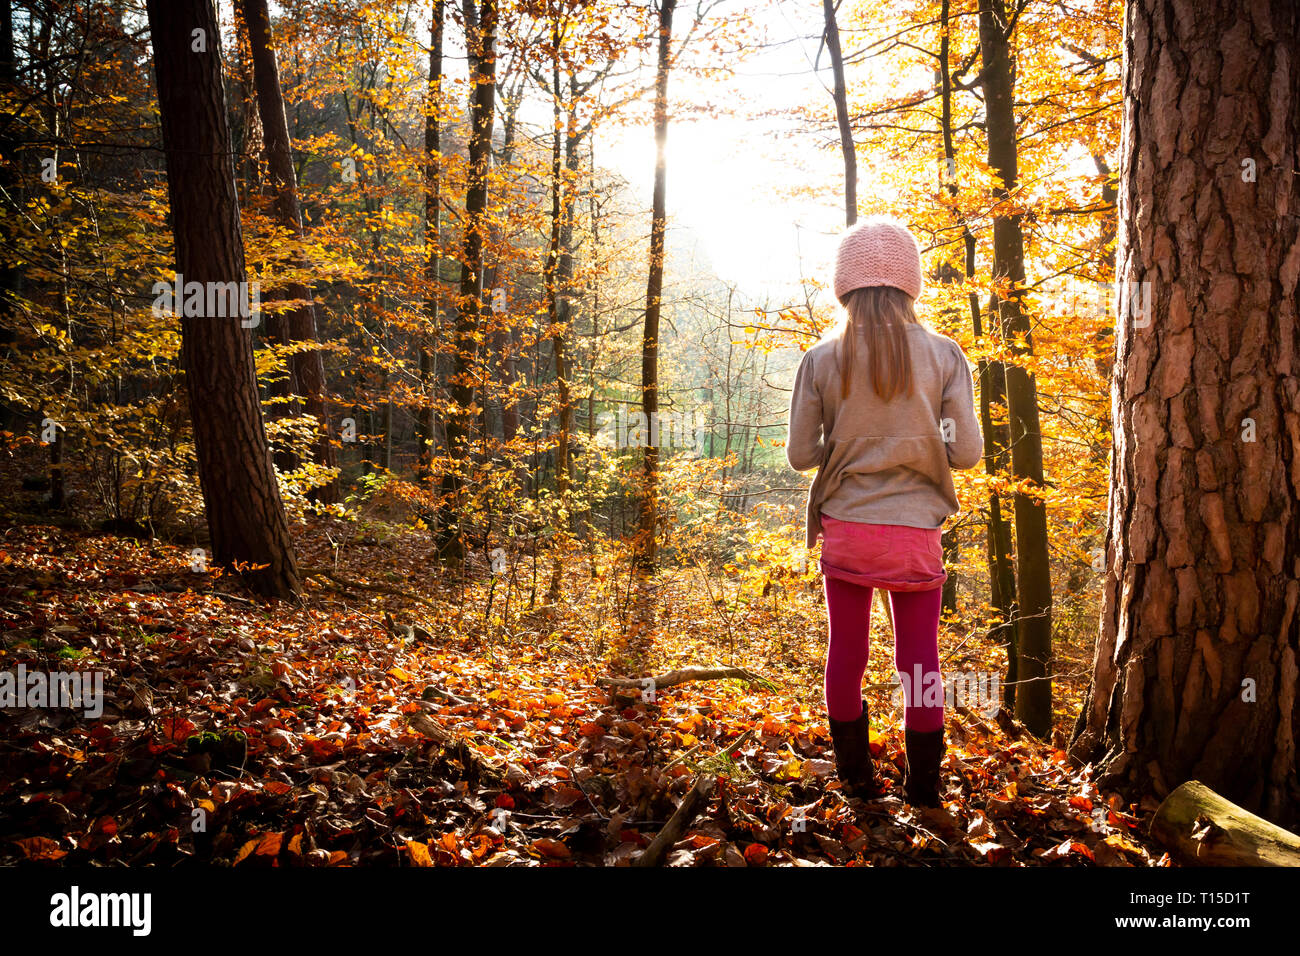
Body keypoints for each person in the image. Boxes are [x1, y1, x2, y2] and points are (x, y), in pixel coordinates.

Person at [785, 215, 983, 806]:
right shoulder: (945, 355)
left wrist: (848, 444)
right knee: (919, 660)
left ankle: (856, 784)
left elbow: (800, 455)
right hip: (916, 530)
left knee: (845, 652)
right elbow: (967, 453)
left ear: (846, 286)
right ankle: (923, 790)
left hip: (847, 526)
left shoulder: (821, 358)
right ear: (910, 283)